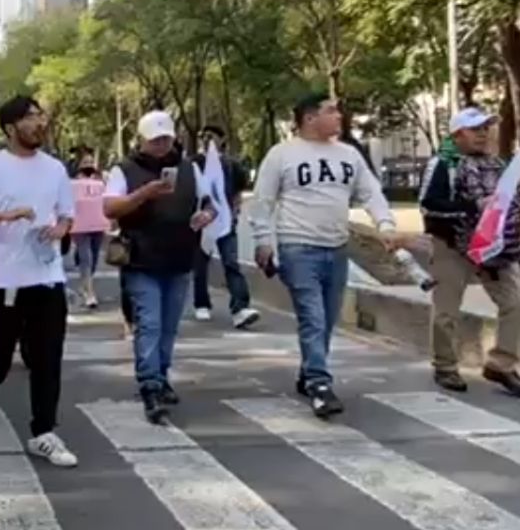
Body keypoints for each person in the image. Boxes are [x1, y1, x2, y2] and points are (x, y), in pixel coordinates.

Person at [250, 93, 408, 419]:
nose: (339, 116)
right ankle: (320, 384)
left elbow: (370, 192)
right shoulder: (282, 155)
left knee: (327, 318)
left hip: (336, 248)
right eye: (331, 111)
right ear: (309, 118)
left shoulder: (348, 154)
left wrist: (386, 224)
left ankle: (309, 370)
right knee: (313, 316)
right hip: (297, 247)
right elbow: (263, 202)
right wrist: (263, 241)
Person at [0, 96, 79, 466]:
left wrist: (58, 229)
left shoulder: (56, 169)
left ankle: (44, 431)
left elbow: (67, 216)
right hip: (1, 280)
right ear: (11, 127)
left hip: (46, 276)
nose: (40, 123)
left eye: (41, 115)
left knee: (47, 357)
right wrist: (8, 216)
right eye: (31, 118)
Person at [104, 111, 217, 424]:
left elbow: (209, 201)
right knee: (150, 323)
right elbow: (110, 207)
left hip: (179, 257)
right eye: (155, 140)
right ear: (142, 139)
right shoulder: (125, 170)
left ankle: (162, 375)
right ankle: (150, 383)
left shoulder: (189, 168)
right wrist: (144, 193)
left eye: (166, 138)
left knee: (169, 324)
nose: (161, 144)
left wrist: (206, 215)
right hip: (141, 259)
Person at [420, 107, 520, 397]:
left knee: (516, 304)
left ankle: (501, 365)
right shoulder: (444, 164)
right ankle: (445, 367)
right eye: (476, 129)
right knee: (447, 310)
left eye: (487, 128)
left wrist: (517, 238)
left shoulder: (498, 164)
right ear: (457, 134)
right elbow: (429, 205)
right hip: (453, 245)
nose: (483, 134)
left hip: (495, 246)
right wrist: (472, 208)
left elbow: (509, 205)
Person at [191, 125, 259, 328]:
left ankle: (240, 307)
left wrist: (235, 212)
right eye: (202, 136)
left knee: (231, 263)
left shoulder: (232, 165)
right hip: (201, 222)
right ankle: (201, 303)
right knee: (200, 265)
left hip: (225, 221)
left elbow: (237, 193)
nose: (206, 139)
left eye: (211, 136)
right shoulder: (194, 163)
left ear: (222, 139)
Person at [68, 156, 108, 310]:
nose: (89, 165)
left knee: (95, 256)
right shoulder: (72, 185)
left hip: (98, 225)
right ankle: (89, 293)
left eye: (91, 163)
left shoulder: (100, 183)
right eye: (85, 162)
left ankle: (85, 284)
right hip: (80, 227)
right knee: (87, 257)